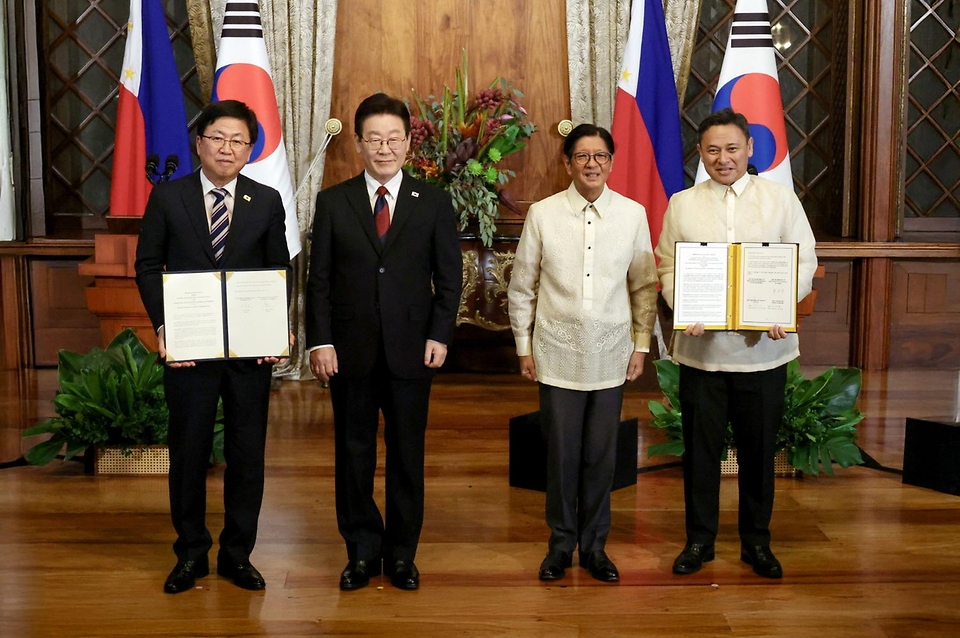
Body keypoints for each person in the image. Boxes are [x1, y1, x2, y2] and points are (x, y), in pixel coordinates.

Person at [305, 93, 461, 591]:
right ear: (358, 143)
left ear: (409, 142)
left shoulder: (433, 201)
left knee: (406, 454)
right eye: (374, 138)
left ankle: (400, 555)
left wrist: (440, 333)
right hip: (349, 350)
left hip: (412, 349)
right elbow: (319, 281)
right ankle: (361, 551)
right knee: (353, 455)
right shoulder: (333, 200)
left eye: (394, 138)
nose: (385, 148)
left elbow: (449, 277)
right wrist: (319, 342)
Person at [135, 99, 292, 594]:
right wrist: (164, 327)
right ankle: (190, 555)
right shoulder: (168, 197)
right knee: (189, 453)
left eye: (238, 141)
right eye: (218, 138)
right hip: (190, 349)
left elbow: (278, 272)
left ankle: (237, 555)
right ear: (199, 143)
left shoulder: (265, 201)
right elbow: (147, 265)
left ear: (250, 149)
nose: (227, 148)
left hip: (249, 352)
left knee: (248, 455)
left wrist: (278, 327)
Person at [656, 108, 817, 579]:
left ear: (749, 149)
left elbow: (803, 262)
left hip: (763, 353)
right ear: (701, 155)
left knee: (758, 452)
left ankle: (756, 543)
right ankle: (699, 541)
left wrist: (779, 306)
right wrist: (682, 303)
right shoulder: (681, 204)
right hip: (701, 355)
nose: (722, 158)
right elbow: (667, 266)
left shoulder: (781, 200)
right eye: (712, 150)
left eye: (731, 148)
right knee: (701, 453)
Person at [508, 123, 658, 583]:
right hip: (555, 352)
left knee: (600, 455)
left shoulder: (632, 214)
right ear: (567, 163)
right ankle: (560, 545)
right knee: (561, 455)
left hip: (612, 354)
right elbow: (522, 286)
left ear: (611, 162)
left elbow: (644, 287)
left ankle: (595, 547)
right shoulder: (544, 215)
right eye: (582, 156)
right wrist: (523, 346)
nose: (591, 164)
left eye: (600, 156)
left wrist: (640, 345)